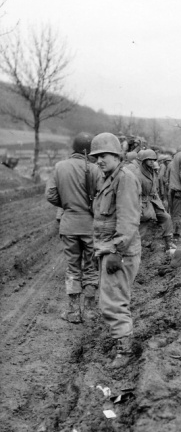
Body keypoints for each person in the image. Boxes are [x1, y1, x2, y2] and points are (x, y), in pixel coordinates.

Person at [89, 132, 142, 369]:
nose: (99, 160)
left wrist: (116, 252)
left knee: (113, 302)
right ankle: (123, 341)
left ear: (116, 155)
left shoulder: (125, 179)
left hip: (120, 250)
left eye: (104, 155)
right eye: (96, 156)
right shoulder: (106, 178)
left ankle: (125, 350)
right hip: (108, 248)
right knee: (112, 298)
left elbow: (128, 220)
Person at [46, 132, 102, 323]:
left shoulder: (60, 166)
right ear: (88, 150)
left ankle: (72, 311)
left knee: (72, 267)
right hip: (90, 225)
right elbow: (102, 196)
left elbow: (50, 195)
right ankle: (89, 310)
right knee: (91, 266)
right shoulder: (94, 169)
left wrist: (67, 205)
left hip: (68, 225)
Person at [133, 149, 175, 250]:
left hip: (154, 201)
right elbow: (134, 193)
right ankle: (136, 248)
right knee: (145, 222)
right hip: (142, 203)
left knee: (167, 217)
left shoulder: (152, 172)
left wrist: (160, 203)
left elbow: (154, 190)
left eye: (153, 159)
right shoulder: (137, 174)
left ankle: (168, 242)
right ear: (144, 160)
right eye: (149, 160)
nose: (152, 161)